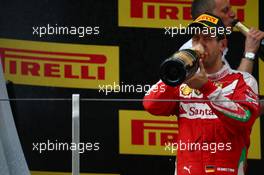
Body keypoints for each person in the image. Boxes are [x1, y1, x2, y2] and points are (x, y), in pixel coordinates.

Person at [143, 13, 260, 175]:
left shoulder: (243, 80)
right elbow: (151, 105)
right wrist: (177, 69)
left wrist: (207, 88)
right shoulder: (182, 80)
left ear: (222, 44)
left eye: (207, 38)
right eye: (196, 39)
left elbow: (244, 119)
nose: (200, 44)